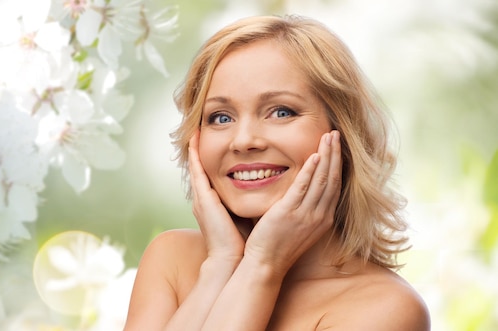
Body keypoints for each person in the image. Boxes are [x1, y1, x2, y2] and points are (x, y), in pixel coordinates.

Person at [124, 14, 430, 330]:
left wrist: (262, 265)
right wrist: (221, 265)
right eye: (220, 117)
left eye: (281, 112)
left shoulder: (385, 308)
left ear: (342, 131)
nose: (243, 141)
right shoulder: (171, 259)